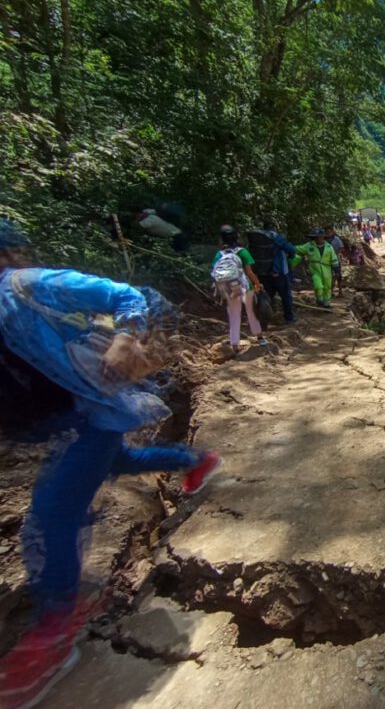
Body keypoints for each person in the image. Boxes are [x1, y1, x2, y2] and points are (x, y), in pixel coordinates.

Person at [0, 220, 221, 707]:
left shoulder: (27, 283)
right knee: (118, 462)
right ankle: (195, 456)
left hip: (90, 414)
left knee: (52, 514)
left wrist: (128, 336)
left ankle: (53, 635)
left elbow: (122, 294)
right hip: (73, 420)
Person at [211, 225, 267, 353]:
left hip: (228, 289)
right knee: (252, 312)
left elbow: (214, 271)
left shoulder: (219, 254)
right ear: (236, 237)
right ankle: (260, 338)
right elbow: (249, 272)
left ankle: (235, 345)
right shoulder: (242, 252)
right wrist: (257, 283)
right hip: (245, 287)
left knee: (234, 315)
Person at [250, 220, 297, 324]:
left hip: (262, 273)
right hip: (278, 273)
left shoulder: (257, 238)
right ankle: (289, 318)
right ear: (274, 228)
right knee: (285, 296)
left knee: (266, 296)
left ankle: (263, 321)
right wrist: (290, 256)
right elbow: (292, 250)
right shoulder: (277, 237)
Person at [293, 228, 339, 308]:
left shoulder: (329, 247)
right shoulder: (309, 246)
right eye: (316, 237)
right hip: (315, 270)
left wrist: (336, 269)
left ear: (323, 237)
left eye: (319, 237)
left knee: (327, 287)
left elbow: (334, 259)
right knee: (318, 286)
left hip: (327, 270)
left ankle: (327, 303)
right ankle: (320, 300)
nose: (318, 239)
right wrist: (288, 248)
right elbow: (298, 248)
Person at [325, 227, 345, 297]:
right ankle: (330, 292)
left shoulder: (336, 239)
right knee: (328, 277)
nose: (328, 233)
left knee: (338, 276)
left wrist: (333, 253)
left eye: (329, 232)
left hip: (336, 260)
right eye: (327, 232)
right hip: (326, 262)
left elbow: (342, 248)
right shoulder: (323, 240)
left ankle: (340, 292)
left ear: (332, 232)